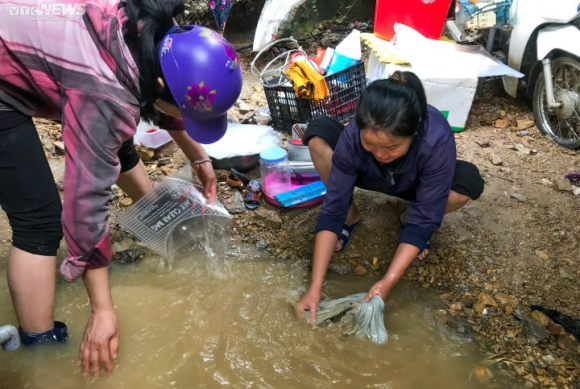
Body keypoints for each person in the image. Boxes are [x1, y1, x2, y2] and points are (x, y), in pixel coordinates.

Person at [0, 0, 241, 377]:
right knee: (40, 222)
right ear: (164, 85)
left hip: (43, 46)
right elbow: (85, 202)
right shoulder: (105, 91)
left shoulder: (165, 37)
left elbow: (154, 99)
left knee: (115, 131)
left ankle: (158, 223)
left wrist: (199, 159)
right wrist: (102, 310)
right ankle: (39, 354)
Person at [297, 72, 484, 322]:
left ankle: (407, 218)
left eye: (392, 147)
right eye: (370, 144)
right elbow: (331, 211)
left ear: (414, 133)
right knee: (319, 131)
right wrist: (314, 288)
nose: (380, 154)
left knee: (465, 185)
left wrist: (387, 282)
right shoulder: (354, 136)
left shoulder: (436, 138)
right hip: (367, 174)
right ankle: (351, 217)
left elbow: (425, 218)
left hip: (413, 184)